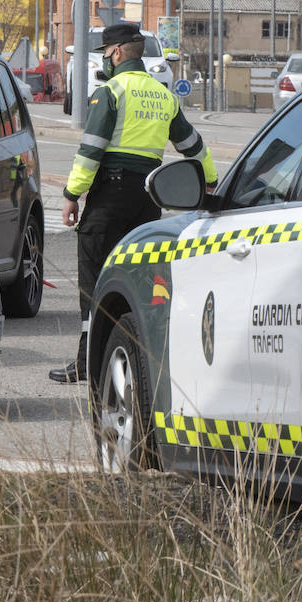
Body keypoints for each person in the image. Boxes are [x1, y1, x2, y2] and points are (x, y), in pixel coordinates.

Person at [49, 22, 218, 384]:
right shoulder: (164, 96)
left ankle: (87, 361)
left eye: (105, 53)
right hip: (148, 201)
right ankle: (144, 360)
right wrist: (211, 178)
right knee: (140, 279)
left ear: (117, 52)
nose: (105, 60)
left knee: (94, 279)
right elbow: (192, 145)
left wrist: (71, 195)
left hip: (109, 197)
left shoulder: (111, 91)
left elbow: (91, 149)